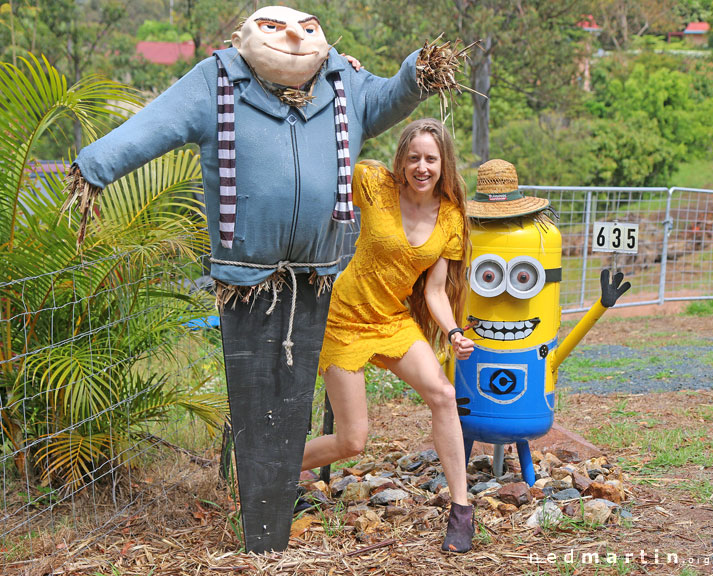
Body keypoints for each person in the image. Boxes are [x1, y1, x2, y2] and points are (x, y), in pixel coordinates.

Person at [62, 6, 465, 553]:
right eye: (273, 26)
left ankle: (296, 494)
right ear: (242, 38)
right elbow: (154, 123)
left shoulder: (341, 88)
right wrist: (95, 165)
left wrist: (421, 69)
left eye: (308, 27)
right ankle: (261, 502)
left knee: (354, 399)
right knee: (284, 409)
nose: (295, 35)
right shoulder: (219, 80)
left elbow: (391, 95)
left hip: (323, 282)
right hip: (251, 281)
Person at [301, 118, 477, 553]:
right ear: (401, 158)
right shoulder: (375, 183)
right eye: (414, 157)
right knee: (352, 441)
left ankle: (461, 510)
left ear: (444, 164)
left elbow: (435, 289)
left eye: (431, 159)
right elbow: (332, 153)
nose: (422, 166)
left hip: (392, 320)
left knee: (443, 393)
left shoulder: (451, 216)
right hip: (344, 320)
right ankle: (273, 472)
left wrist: (453, 330)